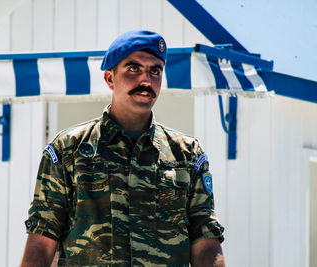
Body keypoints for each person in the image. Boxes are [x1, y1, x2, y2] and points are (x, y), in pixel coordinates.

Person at [21, 30, 225, 267]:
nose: (146, 81)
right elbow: (42, 238)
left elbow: (205, 240)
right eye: (133, 69)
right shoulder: (68, 149)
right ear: (110, 78)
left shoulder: (188, 155)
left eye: (155, 71)